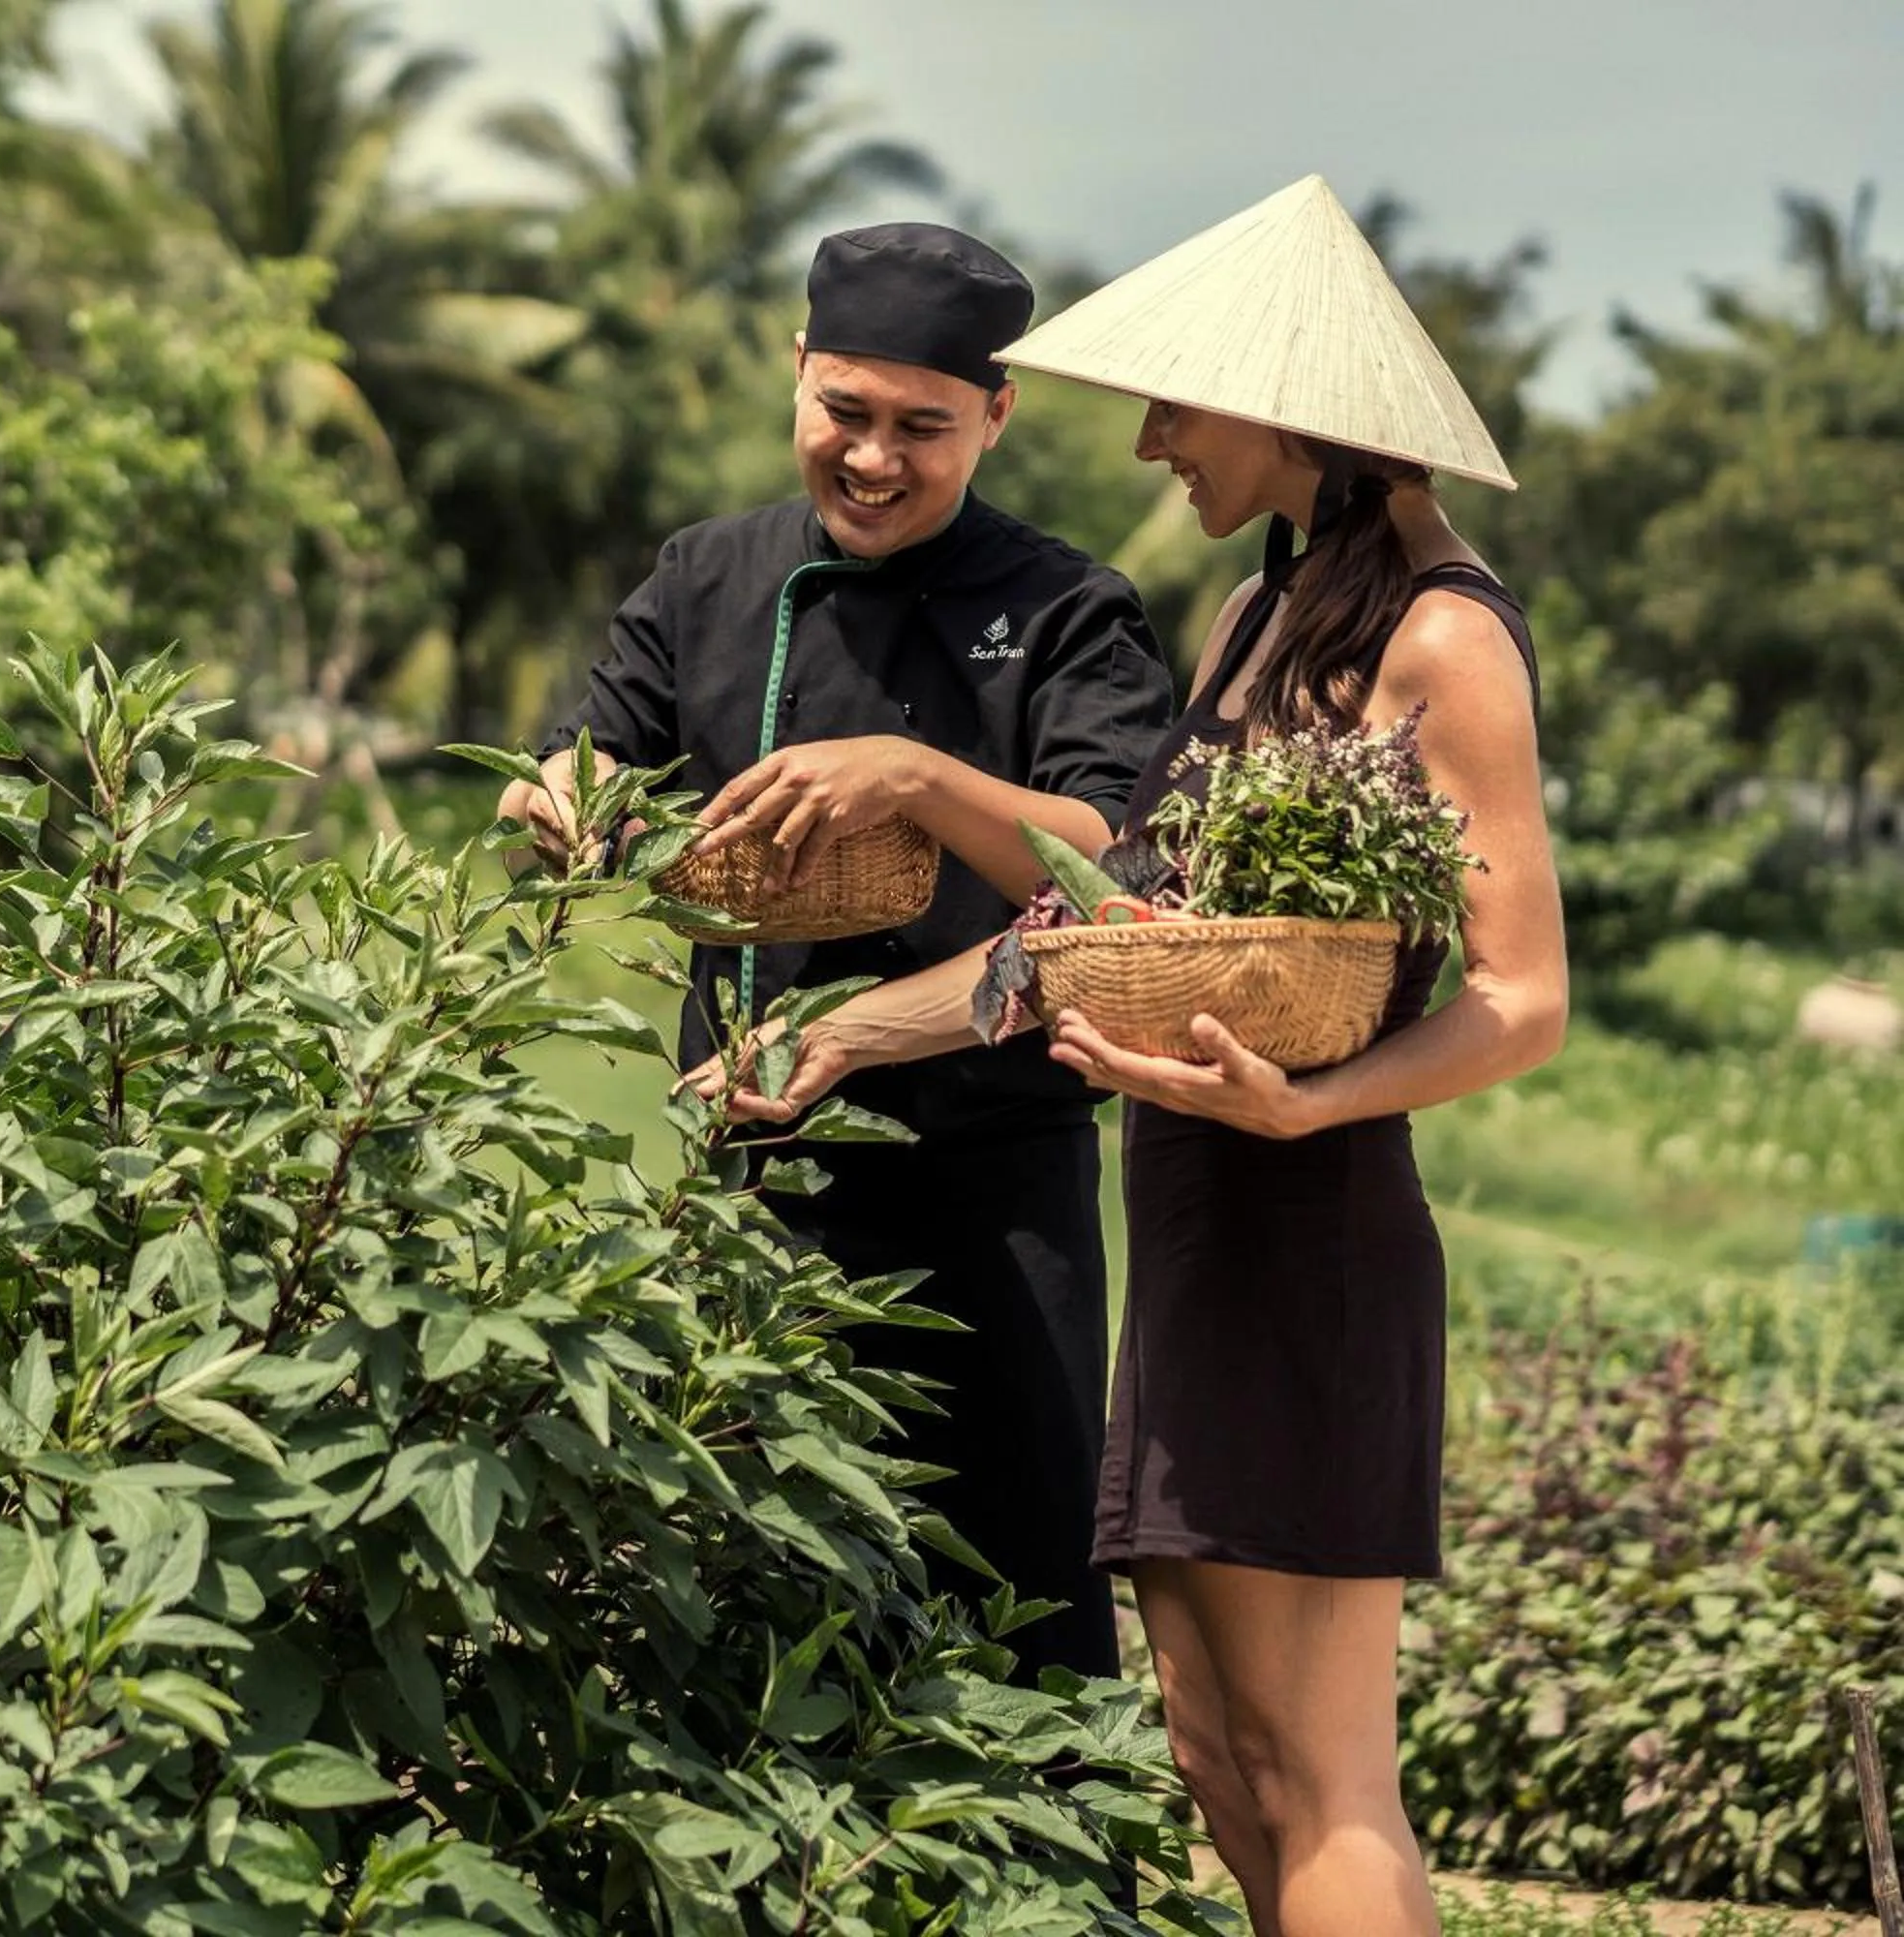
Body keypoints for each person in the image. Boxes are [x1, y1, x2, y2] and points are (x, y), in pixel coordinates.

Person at [684, 176, 1569, 1937]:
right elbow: (1116, 922)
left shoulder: (1444, 635)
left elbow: (1522, 1000)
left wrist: (1307, 1096)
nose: (1153, 437)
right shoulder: (1264, 620)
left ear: (1285, 407)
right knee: (1219, 1748)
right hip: (1193, 1212)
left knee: (1322, 1773)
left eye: (1177, 398)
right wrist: (848, 1031)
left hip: (1308, 1227)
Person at [497, 221, 1175, 1691]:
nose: (873, 460)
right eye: (843, 414)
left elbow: (1116, 874)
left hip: (991, 1189)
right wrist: (562, 801)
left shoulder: (1069, 611)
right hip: (751, 1166)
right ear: (794, 370)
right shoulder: (708, 577)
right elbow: (577, 758)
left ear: (999, 415)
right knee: (741, 1596)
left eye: (922, 429)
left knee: (1016, 1601)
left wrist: (916, 780)